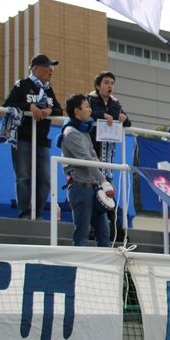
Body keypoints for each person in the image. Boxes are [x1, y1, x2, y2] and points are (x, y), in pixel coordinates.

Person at [3, 54, 63, 219]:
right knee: (23, 176)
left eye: (52, 67)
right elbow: (8, 104)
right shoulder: (22, 85)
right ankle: (25, 212)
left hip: (42, 140)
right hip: (22, 137)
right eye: (47, 67)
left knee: (45, 179)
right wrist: (29, 107)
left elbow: (59, 109)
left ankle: (37, 213)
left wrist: (49, 110)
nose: (51, 71)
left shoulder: (48, 89)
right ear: (35, 68)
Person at [57, 93, 115, 247]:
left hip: (93, 187)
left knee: (104, 233)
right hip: (80, 187)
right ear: (77, 111)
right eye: (87, 106)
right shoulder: (71, 133)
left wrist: (94, 164)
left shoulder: (83, 131)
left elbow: (93, 157)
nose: (90, 110)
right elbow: (88, 160)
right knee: (82, 232)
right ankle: (78, 261)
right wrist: (104, 181)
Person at [88, 71, 131, 241]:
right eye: (106, 82)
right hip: (93, 153)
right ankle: (95, 228)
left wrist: (122, 118)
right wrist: (102, 115)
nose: (110, 86)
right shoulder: (90, 99)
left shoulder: (115, 102)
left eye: (112, 83)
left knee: (108, 193)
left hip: (108, 156)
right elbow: (89, 114)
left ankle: (114, 230)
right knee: (94, 192)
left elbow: (127, 121)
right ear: (98, 85)